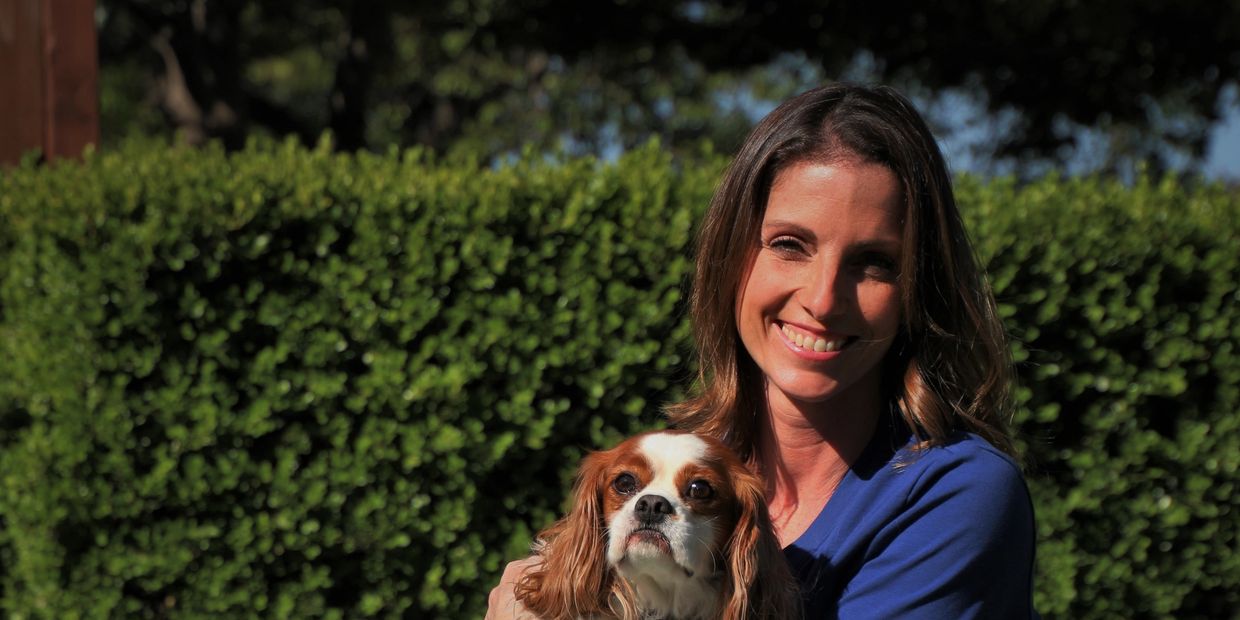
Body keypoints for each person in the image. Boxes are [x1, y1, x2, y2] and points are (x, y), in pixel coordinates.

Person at [488, 82, 1037, 618]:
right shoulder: (692, 460)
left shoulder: (956, 494)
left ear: (919, 291)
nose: (823, 300)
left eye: (874, 262)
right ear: (730, 259)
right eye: (789, 245)